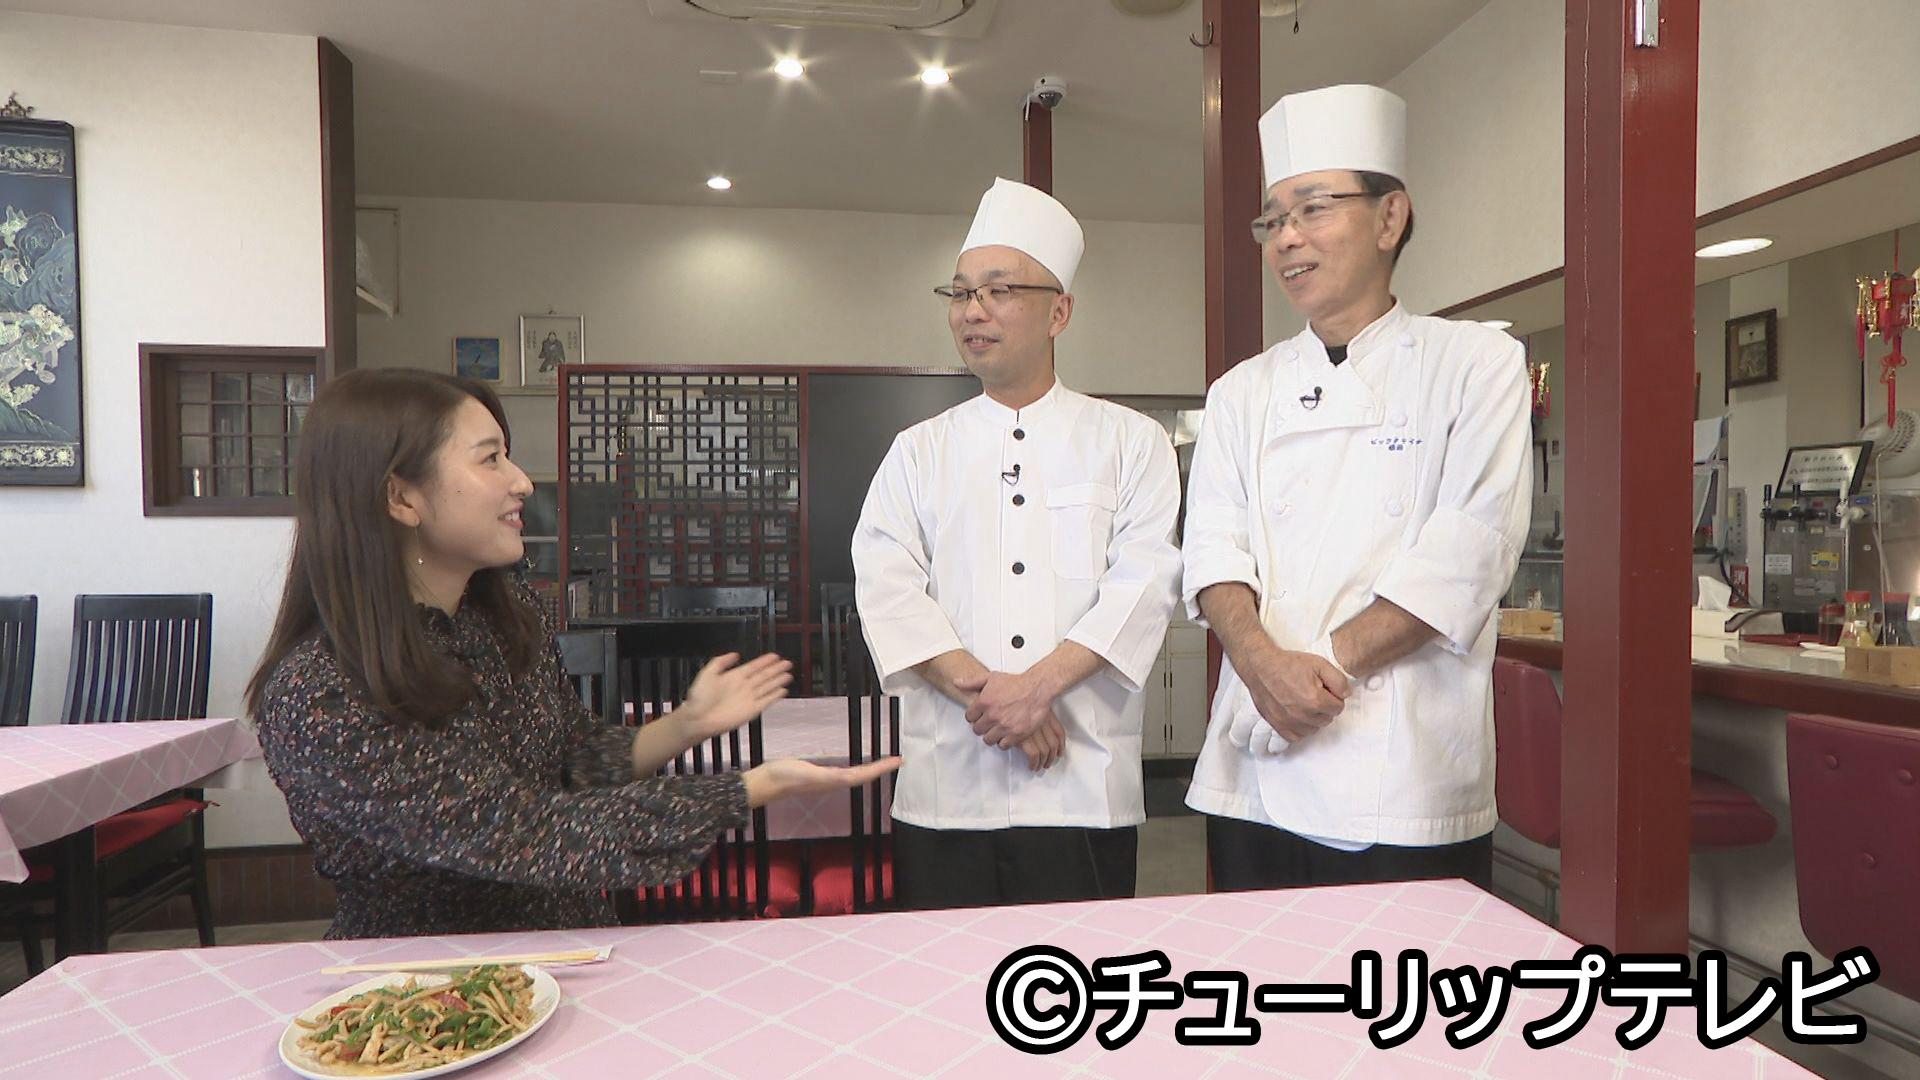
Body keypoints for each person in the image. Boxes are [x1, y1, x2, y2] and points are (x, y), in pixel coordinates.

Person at [247, 368, 895, 939]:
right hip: (426, 985)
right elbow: (527, 832)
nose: (522, 482)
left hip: (577, 949)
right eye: (491, 459)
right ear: (401, 497)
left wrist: (687, 724)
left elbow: (569, 761)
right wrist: (751, 787)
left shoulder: (505, 619)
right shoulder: (320, 691)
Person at [1181, 84, 1532, 891]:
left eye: (1312, 209)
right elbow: (1212, 550)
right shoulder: (1240, 391)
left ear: (1389, 217)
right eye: (1273, 220)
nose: (1286, 238)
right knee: (1255, 968)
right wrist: (1263, 668)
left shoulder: (1476, 364)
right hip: (1254, 768)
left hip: (1403, 778)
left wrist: (1315, 667)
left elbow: (1468, 553)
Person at [852, 178, 1181, 909]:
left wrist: (1038, 688)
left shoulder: (1131, 442)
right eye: (960, 292)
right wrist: (1002, 702)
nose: (973, 310)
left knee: (1079, 975)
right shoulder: (918, 451)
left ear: (1059, 311)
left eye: (999, 290)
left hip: (1081, 784)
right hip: (948, 784)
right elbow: (886, 587)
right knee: (945, 974)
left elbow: (1143, 586)